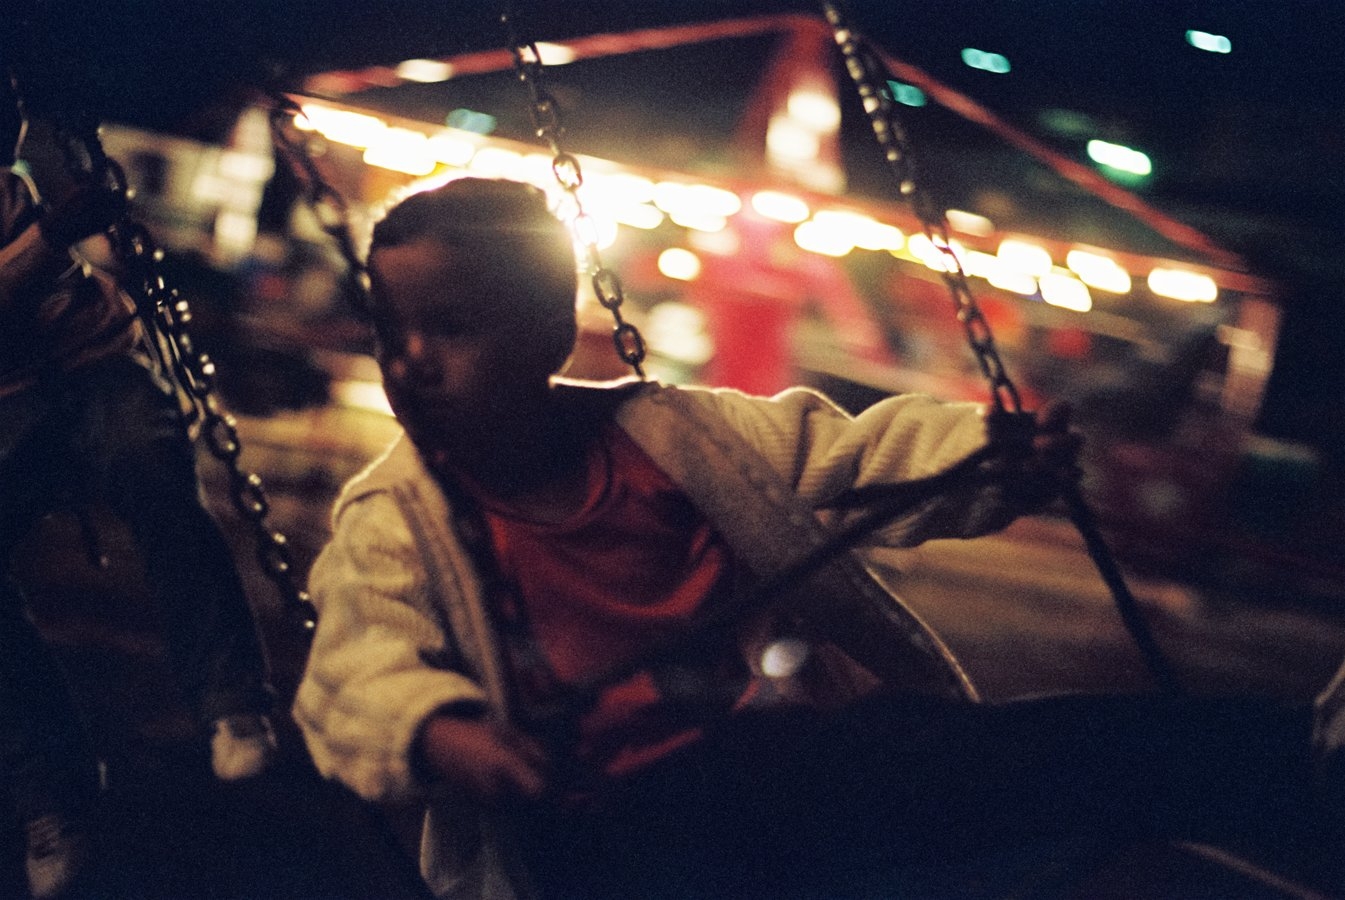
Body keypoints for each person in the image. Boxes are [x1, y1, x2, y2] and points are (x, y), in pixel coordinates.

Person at [293, 176, 1342, 900]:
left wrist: (986, 453)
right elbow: (358, 664)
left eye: (454, 327)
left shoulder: (674, 433)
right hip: (600, 828)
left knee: (1027, 744)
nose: (413, 360)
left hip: (778, 758)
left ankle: (1300, 751)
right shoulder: (400, 517)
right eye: (394, 333)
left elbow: (854, 450)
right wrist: (445, 734)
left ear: (549, 331)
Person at [0, 115, 279, 898]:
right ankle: (48, 795)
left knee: (150, 464)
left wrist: (74, 201)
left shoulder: (10, 167)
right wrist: (53, 234)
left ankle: (231, 701)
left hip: (92, 359)